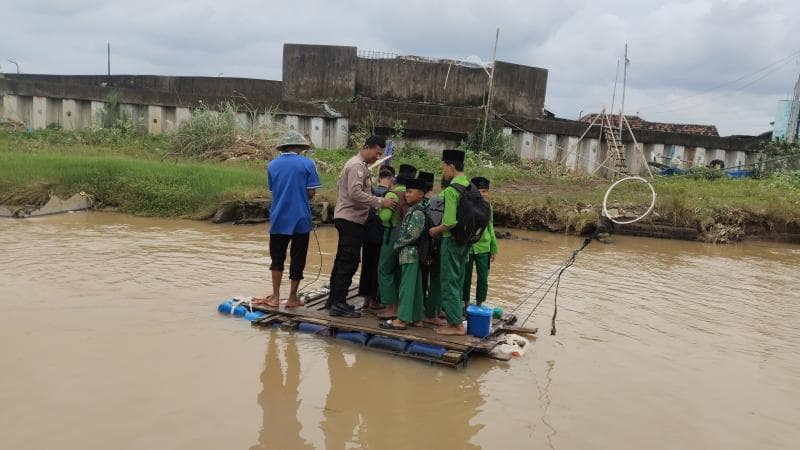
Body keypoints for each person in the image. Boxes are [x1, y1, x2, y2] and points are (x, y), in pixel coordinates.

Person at [328, 135, 397, 318]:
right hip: (351, 219)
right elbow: (355, 193)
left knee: (343, 259)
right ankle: (338, 303)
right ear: (366, 147)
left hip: (349, 218)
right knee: (349, 261)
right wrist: (380, 202)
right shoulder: (357, 166)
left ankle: (334, 299)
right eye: (376, 153)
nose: (377, 157)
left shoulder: (358, 165)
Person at [254, 130, 321, 308]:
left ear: (283, 147)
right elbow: (312, 192)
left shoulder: (272, 165)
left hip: (278, 218)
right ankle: (292, 298)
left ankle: (275, 297)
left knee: (277, 258)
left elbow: (274, 191)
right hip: (301, 218)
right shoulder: (308, 163)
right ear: (300, 147)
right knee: (298, 258)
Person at [428, 149, 470, 335]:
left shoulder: (453, 190)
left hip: (451, 240)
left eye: (443, 167)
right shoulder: (469, 186)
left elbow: (450, 222)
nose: (443, 171)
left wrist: (433, 230)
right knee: (458, 279)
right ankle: (456, 317)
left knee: (448, 280)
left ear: (451, 167)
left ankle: (455, 325)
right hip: (466, 240)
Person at [379, 177, 429, 330]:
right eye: (406, 191)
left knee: (406, 287)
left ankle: (402, 319)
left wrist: (397, 245)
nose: (406, 195)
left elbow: (413, 234)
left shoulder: (417, 212)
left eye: (410, 192)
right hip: (413, 253)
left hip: (410, 253)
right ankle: (417, 318)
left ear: (420, 194)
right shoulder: (416, 209)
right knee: (416, 287)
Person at [377, 164, 417, 319]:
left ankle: (391, 307)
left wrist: (379, 209)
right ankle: (402, 305)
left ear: (395, 179)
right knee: (400, 270)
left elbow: (385, 217)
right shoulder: (411, 195)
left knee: (385, 269)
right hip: (407, 234)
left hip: (392, 233)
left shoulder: (392, 195)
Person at [359, 165, 395, 310]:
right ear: (392, 179)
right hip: (382, 236)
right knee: (379, 267)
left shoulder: (371, 191)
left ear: (379, 178)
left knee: (367, 266)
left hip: (367, 234)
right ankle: (375, 300)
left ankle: (366, 300)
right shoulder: (390, 195)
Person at [462, 176, 498, 308]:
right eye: (481, 191)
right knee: (465, 277)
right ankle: (465, 304)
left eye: (486, 191)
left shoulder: (488, 206)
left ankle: (479, 303)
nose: (484, 194)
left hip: (484, 247)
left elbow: (491, 227)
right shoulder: (466, 205)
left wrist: (493, 248)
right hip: (468, 247)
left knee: (483, 278)